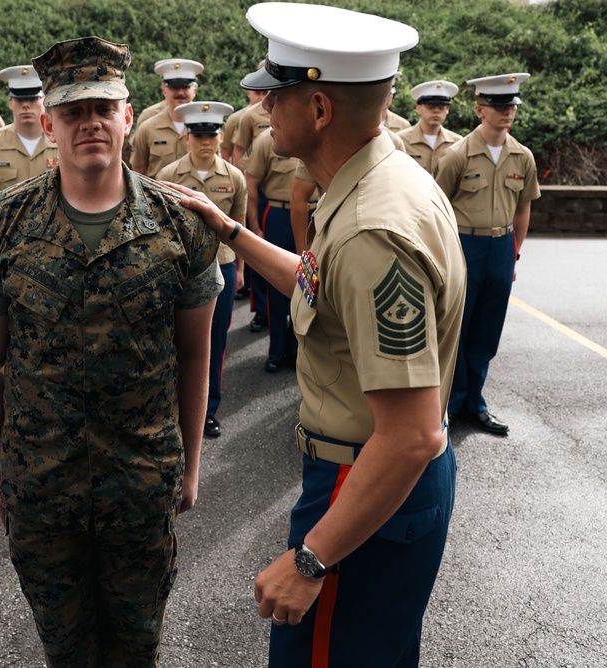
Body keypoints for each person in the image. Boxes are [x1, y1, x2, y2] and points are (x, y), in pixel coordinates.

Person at [173, 4, 465, 665]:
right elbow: (320, 282)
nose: (265, 107)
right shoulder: (373, 184)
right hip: (375, 481)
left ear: (321, 110)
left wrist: (311, 560)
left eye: (277, 95)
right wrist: (230, 230)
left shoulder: (371, 232)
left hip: (365, 481)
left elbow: (412, 432)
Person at [0, 36, 221, 666]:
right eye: (74, 112)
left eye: (105, 107)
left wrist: (187, 467)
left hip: (141, 481)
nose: (91, 124)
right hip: (41, 485)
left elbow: (195, 357)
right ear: (48, 124)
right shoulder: (2, 223)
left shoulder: (179, 223)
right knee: (66, 650)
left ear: (129, 117)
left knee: (136, 647)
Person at [434, 73, 540, 436]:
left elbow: (523, 207)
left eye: (511, 105)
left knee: (487, 330)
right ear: (479, 109)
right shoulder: (457, 154)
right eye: (498, 105)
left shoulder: (522, 156)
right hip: (465, 246)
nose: (506, 112)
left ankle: (474, 402)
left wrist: (515, 251)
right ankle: (450, 402)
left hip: (501, 248)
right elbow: (438, 206)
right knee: (457, 330)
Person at [157, 101, 245, 439]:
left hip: (220, 267)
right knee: (174, 339)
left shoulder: (235, 177)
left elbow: (239, 227)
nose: (206, 141)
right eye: (199, 135)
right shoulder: (169, 176)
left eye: (212, 134)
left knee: (215, 342)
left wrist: (240, 270)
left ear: (222, 137)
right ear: (187, 138)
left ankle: (207, 411)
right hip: (178, 270)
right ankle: (172, 405)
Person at [242, 130, 302, 372]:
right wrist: (255, 228)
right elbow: (252, 188)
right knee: (276, 284)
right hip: (277, 215)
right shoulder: (267, 139)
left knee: (309, 285)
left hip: (313, 214)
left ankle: (298, 348)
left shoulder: (321, 133)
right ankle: (276, 350)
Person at [0, 65, 59, 220]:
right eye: (20, 99)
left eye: (32, 98)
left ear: (44, 101)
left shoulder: (62, 143)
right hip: (4, 238)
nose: (26, 105)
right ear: (10, 102)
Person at [130, 58, 204, 178]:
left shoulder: (206, 122)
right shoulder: (148, 122)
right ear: (164, 89)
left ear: (194, 90)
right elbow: (139, 169)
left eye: (185, 87)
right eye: (174, 87)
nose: (180, 93)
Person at [397, 80, 462, 173]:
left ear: (447, 110)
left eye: (441, 106)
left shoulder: (458, 143)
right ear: (418, 108)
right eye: (430, 105)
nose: (436, 111)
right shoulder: (401, 141)